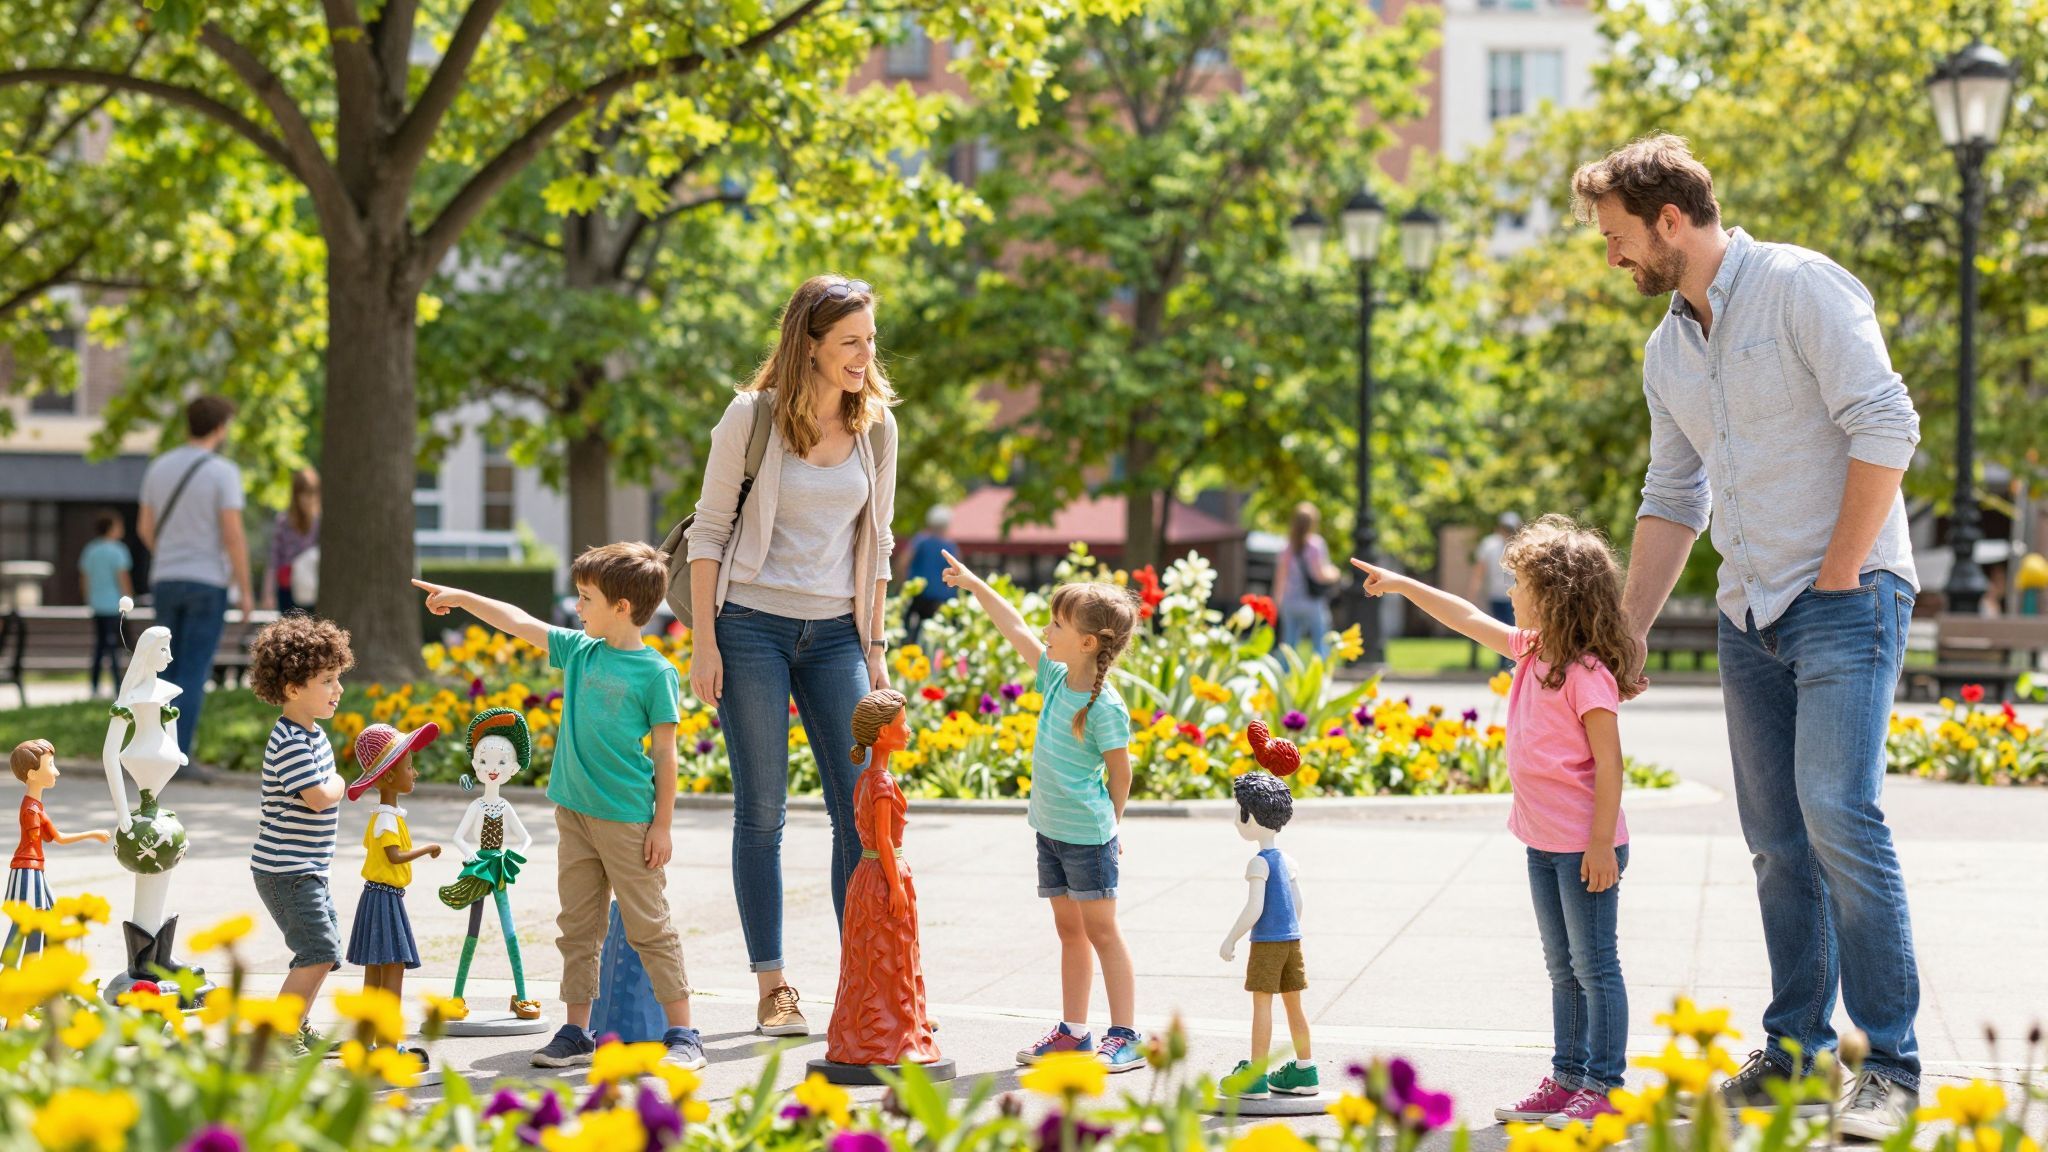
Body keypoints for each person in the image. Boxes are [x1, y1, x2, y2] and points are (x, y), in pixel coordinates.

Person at [1573, 135, 1925, 1138]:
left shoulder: (1802, 288)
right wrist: (1627, 633)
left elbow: (1884, 425)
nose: (1612, 259)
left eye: (1616, 238)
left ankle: (1890, 1067)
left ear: (1669, 220)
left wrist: (1839, 568)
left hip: (1845, 597)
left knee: (1836, 812)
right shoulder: (1666, 349)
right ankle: (1796, 1057)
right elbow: (1670, 494)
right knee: (1775, 843)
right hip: (1747, 613)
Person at [1352, 514, 1638, 1127]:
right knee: (1562, 967)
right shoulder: (1532, 650)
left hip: (1586, 848)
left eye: (1521, 583)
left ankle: (1605, 1085)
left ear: (1556, 595)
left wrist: (1599, 847)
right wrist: (1403, 584)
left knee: (1596, 967)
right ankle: (1567, 1077)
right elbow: (1463, 615)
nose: (1509, 594)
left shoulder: (1587, 673)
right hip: (1542, 841)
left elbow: (1611, 767)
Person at [682, 275, 899, 1039]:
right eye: (849, 342)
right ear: (809, 343)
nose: (864, 356)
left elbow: (879, 545)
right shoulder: (752, 419)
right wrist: (705, 641)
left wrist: (875, 648)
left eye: (870, 341)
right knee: (764, 812)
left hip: (837, 633)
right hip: (750, 627)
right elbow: (709, 533)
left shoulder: (876, 428)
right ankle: (773, 985)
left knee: (861, 814)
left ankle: (858, 976)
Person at [415, 541, 703, 1073]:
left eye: (586, 598)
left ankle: (684, 1035)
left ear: (621, 607)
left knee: (649, 927)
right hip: (573, 815)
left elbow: (666, 754)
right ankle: (576, 1031)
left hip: (627, 820)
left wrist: (662, 825)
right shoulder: (579, 649)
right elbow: (518, 621)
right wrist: (461, 597)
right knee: (578, 927)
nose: (577, 607)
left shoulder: (656, 673)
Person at [941, 551, 1145, 1072]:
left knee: (1102, 932)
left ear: (1088, 643)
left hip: (1087, 836)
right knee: (1069, 932)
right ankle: (1074, 1033)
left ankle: (1125, 1035)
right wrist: (975, 584)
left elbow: (1121, 775)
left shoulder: (1104, 707)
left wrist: (1113, 827)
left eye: (1057, 625)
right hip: (1050, 833)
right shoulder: (1055, 679)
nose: (1047, 631)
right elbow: (1011, 624)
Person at [246, 614, 353, 1057]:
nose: (338, 689)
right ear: (292, 689)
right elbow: (316, 796)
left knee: (324, 951)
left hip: (306, 868)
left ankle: (298, 1025)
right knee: (316, 949)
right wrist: (344, 784)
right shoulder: (289, 740)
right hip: (284, 870)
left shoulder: (314, 734)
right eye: (327, 680)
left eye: (337, 677)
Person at [824, 688, 942, 1069]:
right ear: (881, 734)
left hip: (865, 876)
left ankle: (872, 1029)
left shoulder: (867, 778)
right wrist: (895, 886)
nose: (908, 730)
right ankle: (891, 1035)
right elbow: (886, 842)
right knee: (890, 953)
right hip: (883, 874)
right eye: (901, 724)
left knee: (869, 957)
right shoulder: (882, 784)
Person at [138, 395, 253, 762]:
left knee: (162, 670)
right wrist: (246, 590)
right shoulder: (224, 472)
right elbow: (233, 535)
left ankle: (151, 753)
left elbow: (144, 528)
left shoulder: (159, 468)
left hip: (166, 579)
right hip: (207, 581)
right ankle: (178, 755)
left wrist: (170, 554)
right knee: (192, 669)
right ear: (220, 428)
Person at [1217, 725, 1316, 1100]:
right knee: (1294, 1004)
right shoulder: (1287, 860)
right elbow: (1298, 902)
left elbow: (1254, 907)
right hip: (1293, 941)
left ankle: (1256, 1076)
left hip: (1268, 943)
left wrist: (1231, 938)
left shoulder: (1259, 862)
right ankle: (1306, 1071)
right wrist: (1291, 927)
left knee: (1262, 1003)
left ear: (1248, 816)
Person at [343, 721, 444, 1067]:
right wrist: (427, 848)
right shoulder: (386, 819)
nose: (414, 773)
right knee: (391, 969)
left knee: (376, 969)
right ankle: (387, 1044)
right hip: (384, 897)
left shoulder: (386, 816)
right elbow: (393, 856)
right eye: (408, 766)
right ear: (387, 777)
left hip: (379, 897)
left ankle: (365, 1039)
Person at [6, 740, 111, 966]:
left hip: (33, 868)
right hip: (27, 869)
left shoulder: (35, 807)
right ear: (33, 774)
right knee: (31, 919)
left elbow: (56, 837)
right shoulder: (32, 810)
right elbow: (48, 840)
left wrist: (92, 834)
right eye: (50, 765)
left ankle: (34, 967)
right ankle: (20, 969)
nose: (57, 771)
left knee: (42, 916)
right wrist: (92, 833)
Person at [1272, 503, 1341, 657]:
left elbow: (1280, 578)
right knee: (1320, 642)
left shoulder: (1286, 546)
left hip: (1290, 602)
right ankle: (1318, 676)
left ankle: (1286, 677)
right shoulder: (1315, 545)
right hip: (1311, 602)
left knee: (1288, 645)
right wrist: (1334, 573)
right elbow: (1320, 575)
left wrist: (1277, 602)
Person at [78, 511, 134, 696]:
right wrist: (129, 598)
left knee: (100, 646)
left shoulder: (90, 550)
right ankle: (118, 686)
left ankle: (94, 686)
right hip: (114, 606)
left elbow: (84, 578)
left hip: (97, 605)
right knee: (114, 647)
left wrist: (89, 598)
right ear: (111, 528)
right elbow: (123, 578)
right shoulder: (118, 550)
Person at [1469, 513, 1523, 671]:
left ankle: (1510, 663)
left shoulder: (1520, 545)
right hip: (1496, 595)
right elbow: (1480, 569)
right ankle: (1503, 664)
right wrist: (1474, 591)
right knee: (1499, 627)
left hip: (1515, 596)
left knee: (1513, 628)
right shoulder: (1489, 544)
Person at [901, 506, 958, 646]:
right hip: (942, 600)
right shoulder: (950, 547)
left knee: (908, 636)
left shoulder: (920, 541)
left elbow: (903, 563)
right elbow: (957, 573)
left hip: (919, 597)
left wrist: (903, 584)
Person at [268, 469, 321, 615]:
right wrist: (268, 592)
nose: (307, 499)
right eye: (302, 493)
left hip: (312, 587)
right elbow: (274, 557)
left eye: (311, 493)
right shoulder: (284, 521)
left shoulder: (320, 522)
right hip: (288, 586)